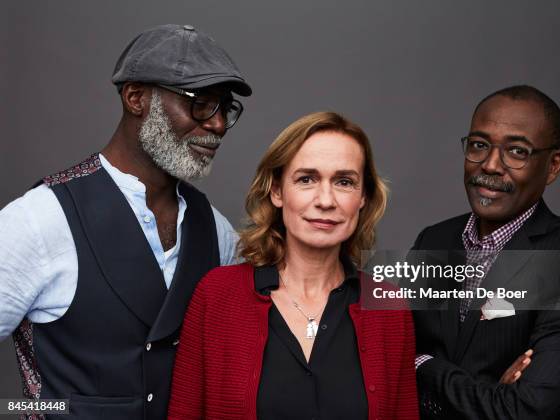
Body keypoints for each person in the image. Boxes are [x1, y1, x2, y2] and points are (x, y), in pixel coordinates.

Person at [0, 24, 251, 419]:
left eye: (225, 108)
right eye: (201, 103)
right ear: (136, 97)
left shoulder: (215, 231)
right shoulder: (40, 219)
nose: (218, 125)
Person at [168, 111, 419, 419]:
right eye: (306, 179)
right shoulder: (217, 295)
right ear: (277, 191)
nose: (326, 200)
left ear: (363, 196)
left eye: (344, 181)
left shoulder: (389, 307)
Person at [410, 85, 560, 419]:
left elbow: (523, 411)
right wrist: (490, 393)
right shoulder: (434, 240)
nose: (489, 165)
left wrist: (422, 364)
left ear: (553, 166)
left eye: (517, 151)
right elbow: (383, 359)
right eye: (478, 145)